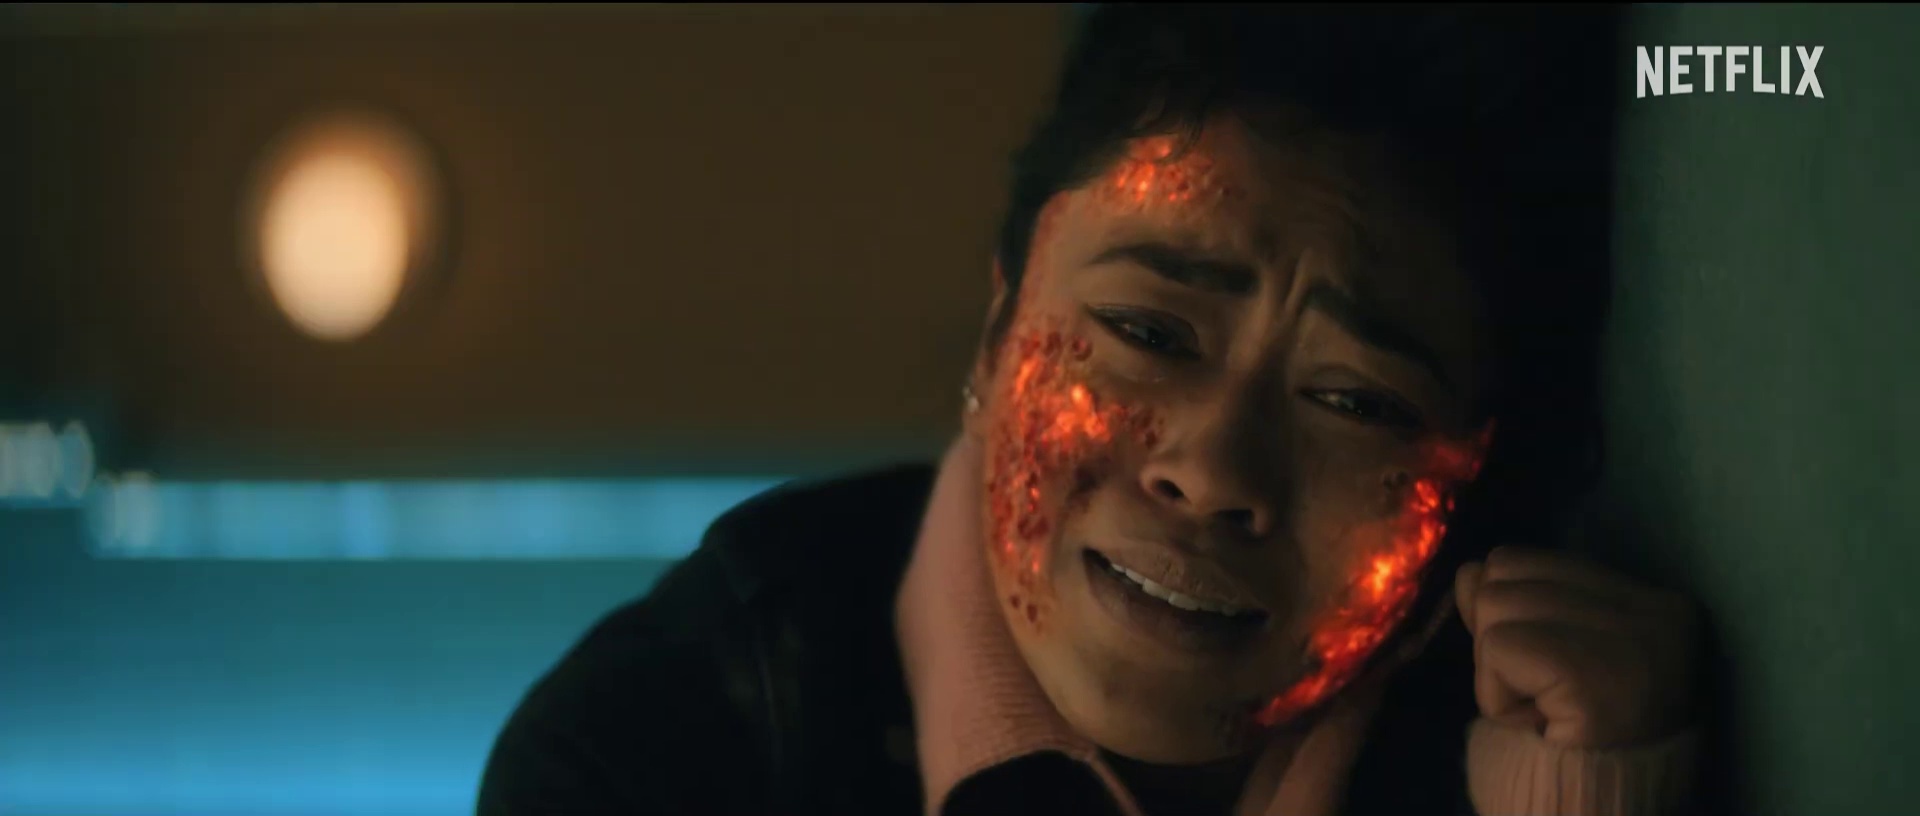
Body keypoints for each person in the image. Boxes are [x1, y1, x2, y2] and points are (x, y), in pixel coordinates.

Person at [478, 6, 1706, 815]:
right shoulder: (667, 746)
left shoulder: (1548, 729)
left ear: (1474, 470)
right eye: (1150, 334)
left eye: (1353, 400)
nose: (1215, 470)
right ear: (999, 328)